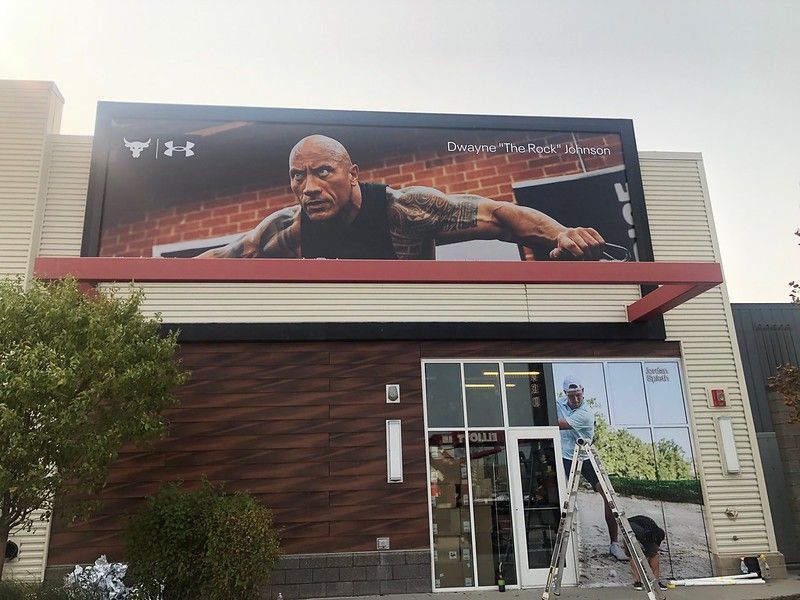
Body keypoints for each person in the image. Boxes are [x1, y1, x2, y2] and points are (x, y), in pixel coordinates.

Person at [197, 135, 605, 260]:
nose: (309, 188)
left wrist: (561, 234)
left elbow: (498, 215)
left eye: (323, 172)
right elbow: (230, 255)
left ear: (353, 174)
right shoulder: (290, 228)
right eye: (298, 177)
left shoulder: (404, 209)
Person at [557, 375, 628, 562]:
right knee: (562, 498)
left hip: (586, 456)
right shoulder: (559, 403)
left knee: (608, 495)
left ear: (583, 392)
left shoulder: (586, 413)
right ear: (565, 394)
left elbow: (558, 424)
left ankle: (614, 544)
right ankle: (565, 547)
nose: (575, 399)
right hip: (565, 457)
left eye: (578, 395)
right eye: (571, 396)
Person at [626, 514, 667, 590]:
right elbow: (653, 550)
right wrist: (651, 554)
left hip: (627, 524)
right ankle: (655, 582)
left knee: (634, 554)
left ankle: (638, 582)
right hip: (634, 529)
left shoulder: (654, 528)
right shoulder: (650, 533)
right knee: (652, 555)